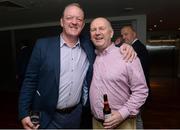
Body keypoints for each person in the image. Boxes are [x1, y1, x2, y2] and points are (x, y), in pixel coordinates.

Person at [18, 3, 136, 129]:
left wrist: (125, 47)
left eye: (79, 19)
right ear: (62, 22)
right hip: (47, 116)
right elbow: (30, 81)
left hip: (76, 115)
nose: (74, 22)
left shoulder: (89, 46)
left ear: (83, 25)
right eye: (69, 18)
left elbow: (106, 47)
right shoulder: (43, 46)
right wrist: (23, 113)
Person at [89, 17, 148, 129]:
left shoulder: (126, 55)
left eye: (101, 28)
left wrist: (122, 113)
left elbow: (141, 91)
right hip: (96, 123)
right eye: (93, 29)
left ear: (111, 33)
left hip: (123, 123)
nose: (97, 32)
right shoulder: (91, 56)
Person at [121, 25, 150, 129]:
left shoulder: (137, 48)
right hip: (136, 91)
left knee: (136, 119)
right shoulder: (135, 47)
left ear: (134, 34)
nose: (124, 37)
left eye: (126, 34)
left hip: (137, 91)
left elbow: (135, 73)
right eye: (122, 35)